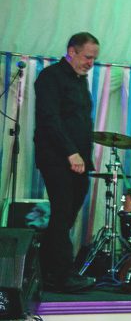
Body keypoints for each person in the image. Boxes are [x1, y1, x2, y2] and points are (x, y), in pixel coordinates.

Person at [33, 32, 99, 292]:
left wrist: (83, 156)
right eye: (87, 57)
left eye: (94, 59)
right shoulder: (51, 77)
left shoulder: (80, 81)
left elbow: (79, 122)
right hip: (57, 157)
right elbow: (50, 118)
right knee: (61, 213)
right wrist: (70, 152)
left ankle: (46, 269)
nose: (91, 63)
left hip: (79, 160)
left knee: (67, 215)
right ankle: (63, 275)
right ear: (72, 51)